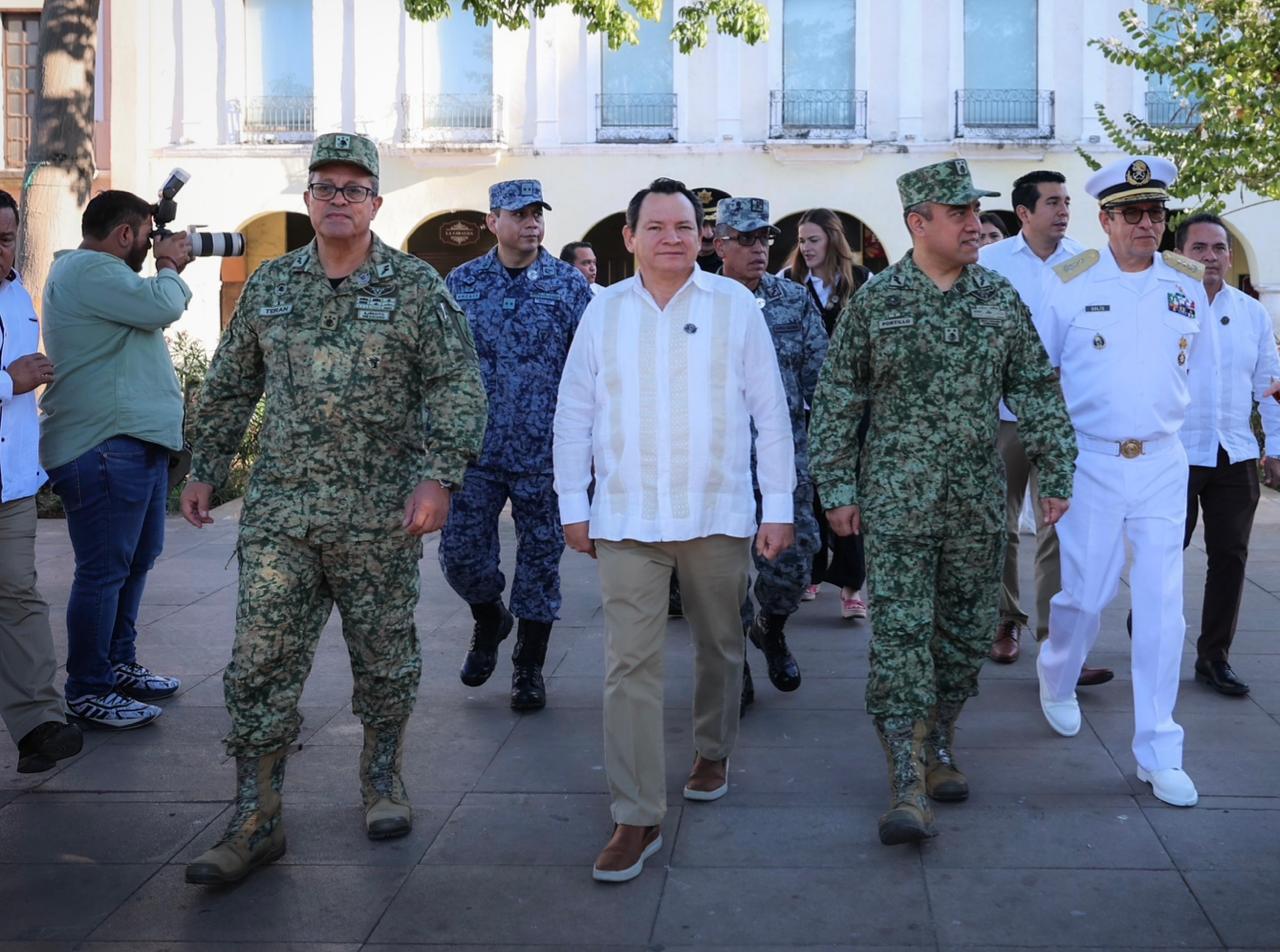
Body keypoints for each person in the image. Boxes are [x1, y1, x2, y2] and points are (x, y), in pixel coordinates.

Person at [179, 132, 487, 884]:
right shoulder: (272, 285)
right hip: (281, 514)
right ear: (308, 199)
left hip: (379, 515)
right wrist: (206, 468)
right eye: (325, 187)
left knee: (384, 657)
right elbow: (230, 383)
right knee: (259, 662)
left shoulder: (415, 286)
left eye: (353, 189)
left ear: (375, 203)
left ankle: (382, 780)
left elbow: (456, 383)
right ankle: (255, 817)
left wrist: (439, 476)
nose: (338, 200)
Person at [810, 158, 1076, 846]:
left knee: (963, 637)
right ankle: (905, 779)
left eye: (976, 212)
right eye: (959, 213)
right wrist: (837, 489)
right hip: (897, 503)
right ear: (917, 223)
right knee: (901, 640)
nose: (975, 224)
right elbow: (838, 398)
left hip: (976, 504)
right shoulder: (878, 302)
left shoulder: (997, 298)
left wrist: (1056, 470)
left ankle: (940, 743)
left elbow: (1036, 387)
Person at [553, 177, 795, 883]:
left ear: (703, 238)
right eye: (655, 227)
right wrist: (573, 503)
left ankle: (713, 749)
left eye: (684, 227)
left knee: (721, 644)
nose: (671, 238)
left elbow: (769, 411)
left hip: (716, 513)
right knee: (629, 664)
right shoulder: (602, 311)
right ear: (629, 238)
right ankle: (636, 815)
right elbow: (574, 412)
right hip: (626, 517)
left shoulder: (735, 306)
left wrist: (777, 505)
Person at [1034, 156, 1251, 808]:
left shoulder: (1185, 283)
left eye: (1156, 212)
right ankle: (1056, 671)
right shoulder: (1068, 282)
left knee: (1162, 607)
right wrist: (1050, 464)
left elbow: (1198, 374)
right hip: (1091, 460)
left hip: (1162, 461)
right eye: (1132, 213)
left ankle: (1160, 750)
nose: (1147, 224)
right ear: (1105, 220)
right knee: (1086, 595)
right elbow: (1039, 378)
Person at [39, 189, 195, 729]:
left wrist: (163, 267)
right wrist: (169, 266)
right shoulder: (90, 270)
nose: (153, 247)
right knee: (104, 572)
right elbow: (164, 305)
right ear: (125, 234)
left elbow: (150, 307)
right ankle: (88, 688)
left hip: (129, 444)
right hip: (105, 444)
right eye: (148, 237)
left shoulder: (101, 277)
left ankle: (117, 665)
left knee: (133, 561)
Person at [442, 180, 592, 711]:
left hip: (545, 453)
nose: (532, 223)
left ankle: (529, 665)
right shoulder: (461, 282)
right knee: (460, 555)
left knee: (540, 562)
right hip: (475, 452)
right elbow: (442, 365)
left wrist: (589, 448)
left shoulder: (568, 285)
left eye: (537, 214)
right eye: (520, 214)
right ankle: (490, 617)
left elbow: (590, 369)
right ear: (492, 222)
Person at [979, 171, 1114, 687]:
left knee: (1060, 525)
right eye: (1052, 202)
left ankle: (1057, 642)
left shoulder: (1088, 262)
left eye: (1066, 201)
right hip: (1004, 414)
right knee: (1000, 522)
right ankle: (1005, 620)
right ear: (1024, 213)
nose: (1063, 211)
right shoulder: (991, 261)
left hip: (1064, 416)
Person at [712, 196, 828, 712]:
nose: (758, 248)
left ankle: (771, 627)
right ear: (719, 245)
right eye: (745, 239)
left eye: (764, 239)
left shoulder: (793, 300)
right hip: (719, 459)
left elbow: (822, 380)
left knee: (793, 566)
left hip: (784, 459)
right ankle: (734, 662)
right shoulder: (702, 301)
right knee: (722, 574)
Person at [1174, 213, 1280, 696]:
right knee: (1165, 551)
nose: (1211, 257)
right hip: (1176, 452)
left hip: (1234, 452)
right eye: (1199, 248)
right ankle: (1148, 622)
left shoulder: (1252, 313)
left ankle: (1214, 656)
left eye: (1218, 248)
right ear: (1181, 254)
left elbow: (1270, 386)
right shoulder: (1165, 307)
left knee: (1230, 557)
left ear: (1229, 255)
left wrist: (1275, 446)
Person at [0, 189, 84, 773]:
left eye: (6, 239)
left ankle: (39, 727)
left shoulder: (18, 297)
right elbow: (14, 381)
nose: (0, 251)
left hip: (12, 488)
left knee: (20, 597)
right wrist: (10, 381)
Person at [783, 208, 870, 619]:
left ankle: (852, 585)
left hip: (852, 406)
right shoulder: (789, 283)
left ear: (833, 240)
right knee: (810, 493)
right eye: (801, 240)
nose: (805, 247)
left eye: (813, 239)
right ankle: (813, 572)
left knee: (848, 493)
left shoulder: (862, 282)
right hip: (804, 405)